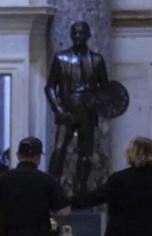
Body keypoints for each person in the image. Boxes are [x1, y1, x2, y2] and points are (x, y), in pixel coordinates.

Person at [44, 21, 109, 195]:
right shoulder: (61, 58)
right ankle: (53, 186)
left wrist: (100, 103)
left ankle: (80, 188)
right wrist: (58, 109)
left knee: (85, 152)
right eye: (75, 33)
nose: (77, 37)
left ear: (88, 36)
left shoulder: (97, 60)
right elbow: (50, 87)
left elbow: (106, 89)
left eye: (81, 33)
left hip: (88, 110)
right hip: (67, 109)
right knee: (59, 149)